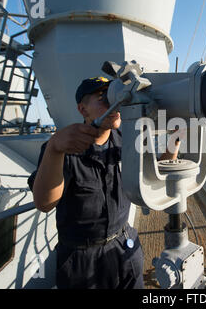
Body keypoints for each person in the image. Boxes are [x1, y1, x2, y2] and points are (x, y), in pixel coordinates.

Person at [28, 76, 179, 289]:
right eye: (104, 98)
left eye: (115, 95)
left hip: (124, 244)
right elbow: (44, 203)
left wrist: (176, 138)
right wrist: (54, 148)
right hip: (82, 258)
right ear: (83, 110)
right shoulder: (64, 148)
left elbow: (156, 174)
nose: (115, 103)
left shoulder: (126, 139)